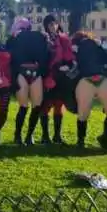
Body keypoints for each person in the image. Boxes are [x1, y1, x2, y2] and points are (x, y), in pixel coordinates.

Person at [71, 32, 107, 148]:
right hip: (90, 79)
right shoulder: (80, 47)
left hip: (97, 78)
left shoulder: (95, 46)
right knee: (87, 113)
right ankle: (83, 140)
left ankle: (102, 138)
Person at [8, 17, 49, 145]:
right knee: (26, 107)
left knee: (34, 107)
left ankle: (27, 135)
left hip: (32, 72)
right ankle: (19, 135)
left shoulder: (18, 38)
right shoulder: (15, 39)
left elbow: (45, 56)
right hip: (24, 72)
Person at [40, 15, 74, 144]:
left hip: (60, 77)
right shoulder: (43, 39)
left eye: (54, 23)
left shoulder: (64, 39)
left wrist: (66, 66)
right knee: (45, 106)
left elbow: (69, 57)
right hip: (47, 76)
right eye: (49, 24)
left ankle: (57, 136)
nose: (52, 26)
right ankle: (45, 136)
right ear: (46, 26)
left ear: (58, 24)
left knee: (59, 106)